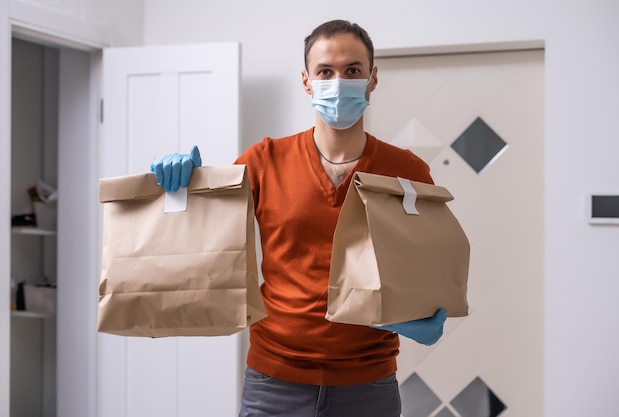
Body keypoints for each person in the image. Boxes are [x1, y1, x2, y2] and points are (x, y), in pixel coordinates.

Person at [151, 20, 447, 417]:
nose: (338, 82)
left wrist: (419, 319)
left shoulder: (406, 172)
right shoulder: (262, 161)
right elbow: (198, 246)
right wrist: (181, 189)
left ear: (373, 79)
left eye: (352, 71)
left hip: (367, 386)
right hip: (274, 383)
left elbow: (429, 283)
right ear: (306, 81)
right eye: (325, 71)